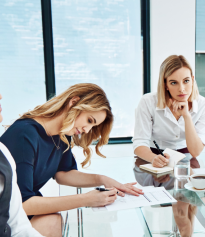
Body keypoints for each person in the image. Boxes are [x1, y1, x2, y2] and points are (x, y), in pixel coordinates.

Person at [0, 84, 143, 237]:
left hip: (24, 212)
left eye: (93, 125)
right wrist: (86, 199)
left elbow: (63, 173)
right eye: (89, 120)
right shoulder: (25, 134)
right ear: (73, 102)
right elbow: (24, 204)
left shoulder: (62, 134)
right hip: (9, 218)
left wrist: (103, 179)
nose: (87, 130)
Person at [133, 55, 205, 168]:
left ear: (193, 80)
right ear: (165, 85)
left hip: (187, 157)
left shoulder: (204, 105)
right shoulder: (148, 102)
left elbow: (195, 151)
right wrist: (152, 158)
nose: (181, 89)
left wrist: (186, 116)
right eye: (174, 82)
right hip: (153, 154)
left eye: (186, 81)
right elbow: (139, 142)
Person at [0, 92, 44, 237]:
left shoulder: (3, 152)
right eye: (89, 121)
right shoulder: (25, 132)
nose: (1, 96)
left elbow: (18, 227)